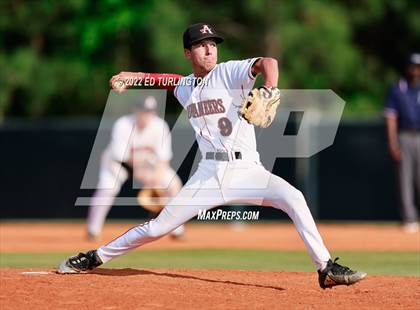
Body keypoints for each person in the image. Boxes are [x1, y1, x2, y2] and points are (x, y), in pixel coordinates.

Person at [58, 23, 366, 289]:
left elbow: (267, 61)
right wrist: (133, 75)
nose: (209, 50)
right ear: (188, 54)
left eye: (212, 44)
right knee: (157, 228)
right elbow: (165, 79)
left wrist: (270, 88)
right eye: (200, 45)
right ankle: (94, 257)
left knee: (294, 197)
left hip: (248, 170)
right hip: (208, 174)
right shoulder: (186, 86)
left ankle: (325, 268)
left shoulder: (230, 72)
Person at [87, 96, 184, 240]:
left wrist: (156, 178)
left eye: (150, 111)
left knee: (174, 184)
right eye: (143, 111)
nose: (147, 115)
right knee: (107, 188)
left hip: (148, 164)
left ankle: (177, 229)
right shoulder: (123, 124)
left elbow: (163, 158)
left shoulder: (159, 126)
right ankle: (93, 229)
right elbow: (123, 157)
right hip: (118, 163)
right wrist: (145, 176)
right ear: (135, 110)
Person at [384, 53, 420, 233]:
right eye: (413, 66)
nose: (415, 70)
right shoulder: (398, 88)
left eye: (418, 67)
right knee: (405, 177)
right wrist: (393, 143)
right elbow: (391, 118)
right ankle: (409, 218)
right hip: (405, 135)